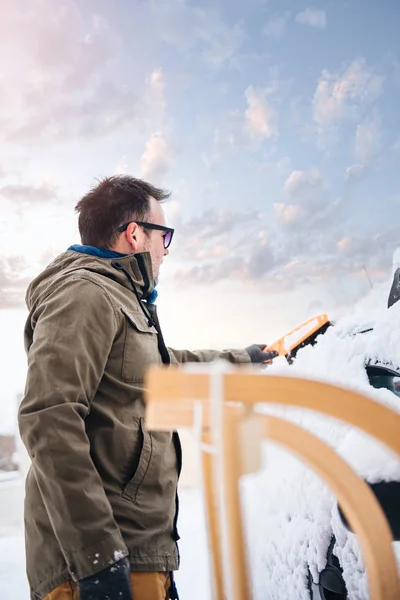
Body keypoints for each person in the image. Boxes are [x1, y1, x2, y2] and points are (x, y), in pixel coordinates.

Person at [18, 175, 277, 600]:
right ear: (135, 234)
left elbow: (170, 363)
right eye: (164, 234)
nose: (166, 249)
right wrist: (98, 559)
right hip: (97, 565)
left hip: (137, 552)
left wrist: (245, 357)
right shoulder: (85, 294)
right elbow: (49, 417)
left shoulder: (120, 300)